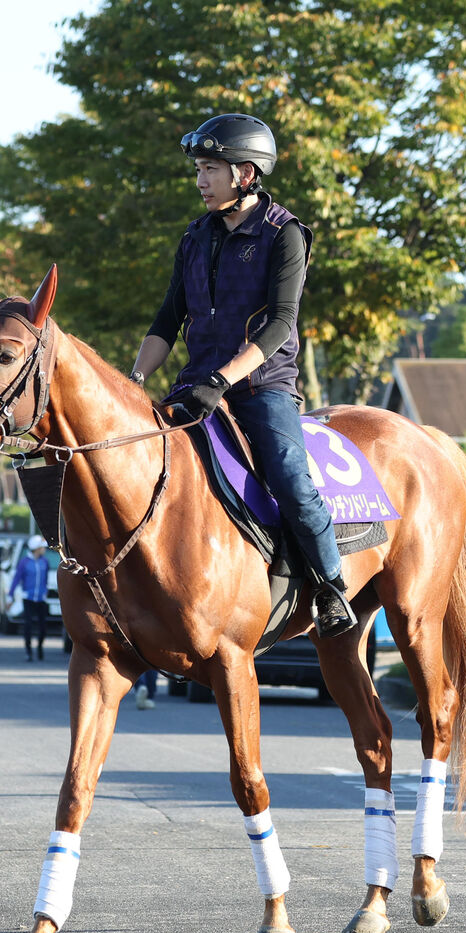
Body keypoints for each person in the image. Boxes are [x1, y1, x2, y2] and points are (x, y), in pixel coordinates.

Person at [130, 113, 356, 637]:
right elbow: (166, 322)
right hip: (196, 388)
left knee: (291, 480)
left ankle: (331, 587)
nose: (201, 180)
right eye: (199, 169)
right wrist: (135, 382)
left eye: (211, 169)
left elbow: (280, 324)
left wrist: (224, 380)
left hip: (261, 387)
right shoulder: (194, 237)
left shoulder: (285, 234)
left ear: (246, 175)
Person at [8, 534, 49, 660]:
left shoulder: (45, 562)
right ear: (36, 548)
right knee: (28, 625)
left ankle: (40, 648)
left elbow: (46, 579)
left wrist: (45, 591)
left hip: (41, 599)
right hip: (28, 599)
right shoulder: (24, 562)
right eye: (42, 547)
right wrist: (10, 597)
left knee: (42, 627)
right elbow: (16, 580)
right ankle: (28, 651)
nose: (44, 549)